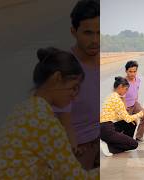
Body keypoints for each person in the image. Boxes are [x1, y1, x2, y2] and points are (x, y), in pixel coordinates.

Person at [0, 47, 98, 179]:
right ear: (57, 78)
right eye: (74, 87)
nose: (75, 97)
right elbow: (76, 178)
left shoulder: (25, 108)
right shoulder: (45, 121)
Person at [54, 0, 100, 170]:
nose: (95, 40)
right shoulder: (64, 66)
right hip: (78, 148)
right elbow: (63, 120)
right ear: (73, 32)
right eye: (88, 33)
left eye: (99, 32)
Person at [100, 77, 144, 156]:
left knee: (132, 123)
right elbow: (128, 118)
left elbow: (119, 117)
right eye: (126, 89)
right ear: (120, 87)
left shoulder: (111, 96)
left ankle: (123, 142)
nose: (126, 91)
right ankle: (109, 147)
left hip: (103, 127)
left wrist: (126, 113)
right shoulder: (117, 100)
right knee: (134, 144)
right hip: (107, 129)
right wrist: (143, 111)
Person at [123, 60, 144, 144]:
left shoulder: (137, 79)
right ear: (126, 71)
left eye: (134, 71)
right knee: (127, 124)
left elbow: (136, 90)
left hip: (135, 104)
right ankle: (122, 140)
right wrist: (124, 107)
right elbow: (120, 96)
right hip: (125, 106)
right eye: (130, 71)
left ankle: (139, 137)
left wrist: (136, 101)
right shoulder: (122, 82)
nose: (132, 74)